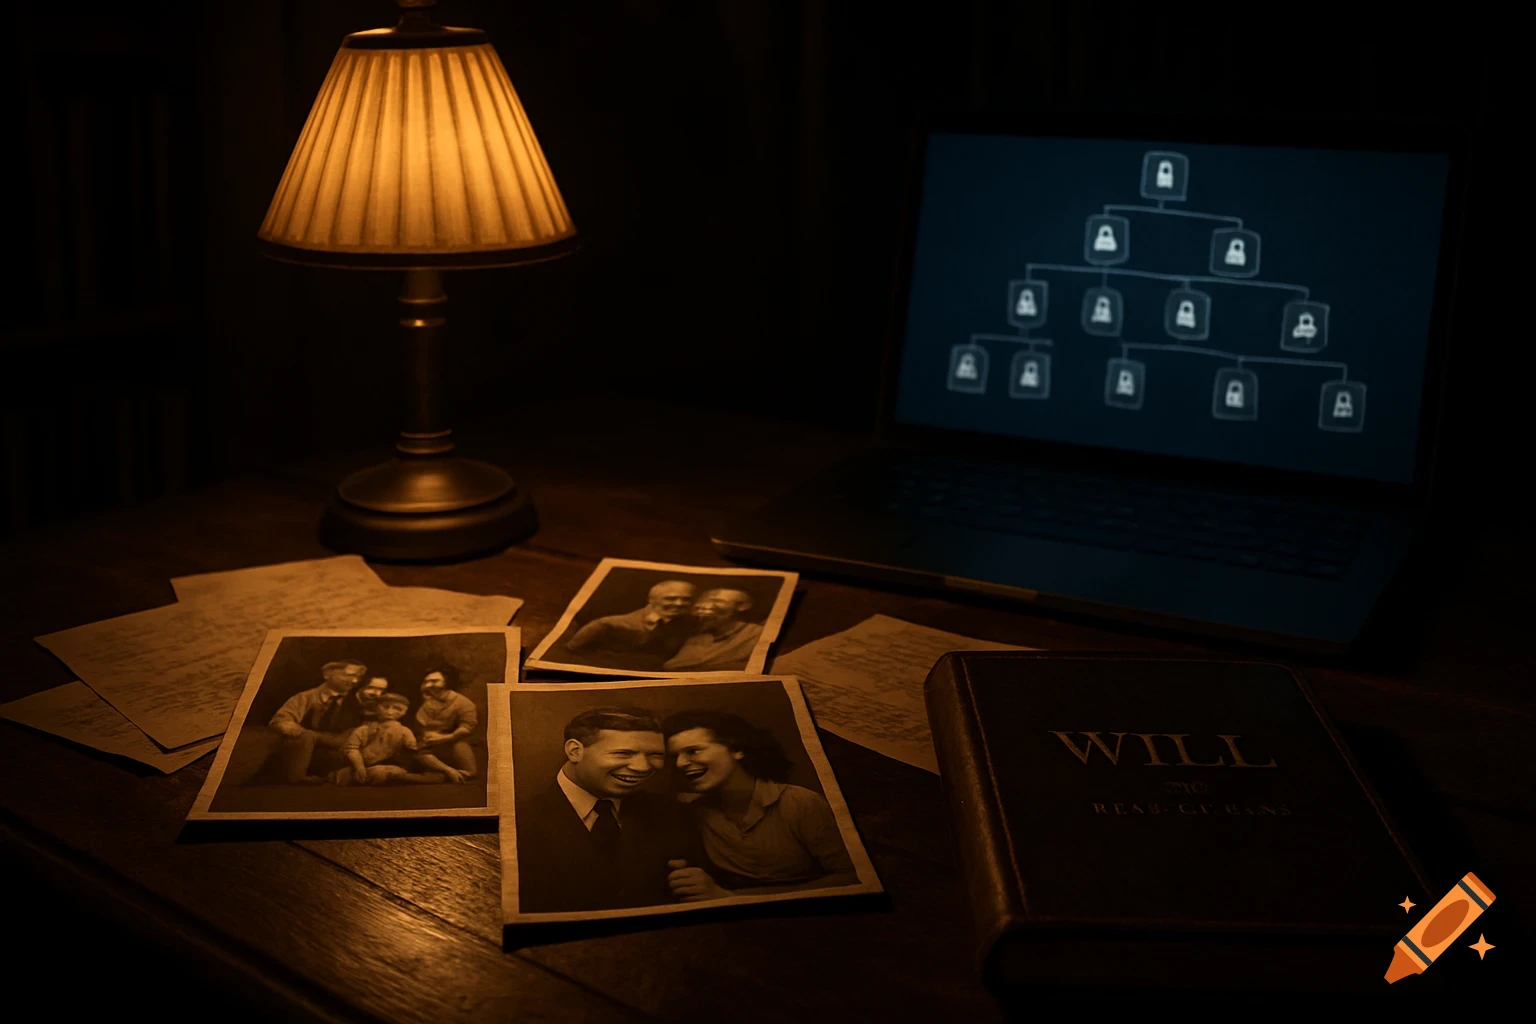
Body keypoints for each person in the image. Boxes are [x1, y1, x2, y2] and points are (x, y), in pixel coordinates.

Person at [515, 706, 707, 913]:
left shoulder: (673, 813)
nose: (642, 767)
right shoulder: (518, 818)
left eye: (655, 755)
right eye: (624, 753)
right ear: (575, 751)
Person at [661, 710, 858, 901]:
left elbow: (851, 877)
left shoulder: (801, 802)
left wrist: (732, 898)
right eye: (674, 757)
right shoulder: (695, 813)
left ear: (737, 750)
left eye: (692, 751)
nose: (680, 764)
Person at [266, 659, 368, 784]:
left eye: (358, 677)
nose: (354, 681)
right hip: (310, 744)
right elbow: (281, 719)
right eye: (349, 675)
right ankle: (297, 778)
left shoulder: (357, 700)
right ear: (327, 674)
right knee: (305, 736)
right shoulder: (306, 697)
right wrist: (290, 726)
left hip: (344, 745)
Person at [561, 580, 697, 668]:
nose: (679, 604)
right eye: (670, 598)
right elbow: (571, 651)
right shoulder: (606, 625)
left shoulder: (690, 624)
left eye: (686, 599)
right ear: (652, 600)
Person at [330, 692, 443, 786]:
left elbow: (414, 752)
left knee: (388, 772)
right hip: (362, 767)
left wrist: (446, 768)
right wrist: (360, 768)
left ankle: (403, 777)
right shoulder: (364, 730)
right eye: (385, 707)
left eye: (396, 709)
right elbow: (351, 749)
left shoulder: (404, 731)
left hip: (391, 767)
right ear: (375, 709)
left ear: (404, 712)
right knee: (375, 774)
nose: (390, 711)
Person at [662, 589, 763, 672]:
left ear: (742, 606)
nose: (707, 607)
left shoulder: (756, 634)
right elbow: (671, 666)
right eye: (705, 602)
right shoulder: (697, 638)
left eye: (717, 601)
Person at [412, 665, 478, 784]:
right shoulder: (428, 703)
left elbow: (466, 728)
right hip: (432, 743)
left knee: (464, 758)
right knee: (417, 749)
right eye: (426, 682)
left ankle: (447, 773)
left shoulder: (464, 703)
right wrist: (429, 735)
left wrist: (445, 738)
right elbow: (421, 724)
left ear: (447, 681)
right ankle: (447, 771)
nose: (428, 685)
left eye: (434, 681)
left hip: (453, 742)